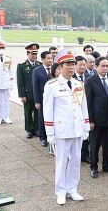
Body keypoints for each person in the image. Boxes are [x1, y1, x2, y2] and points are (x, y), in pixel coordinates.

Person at [43, 48, 90, 205]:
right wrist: (50, 133)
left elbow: (83, 107)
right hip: (61, 131)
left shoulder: (79, 84)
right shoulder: (52, 85)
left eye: (73, 64)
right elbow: (48, 111)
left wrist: (85, 128)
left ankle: (72, 189)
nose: (71, 67)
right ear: (60, 66)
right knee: (61, 162)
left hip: (77, 129)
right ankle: (61, 191)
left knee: (76, 161)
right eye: (68, 65)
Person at [85, 56, 108, 178]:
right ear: (96, 67)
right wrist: (90, 120)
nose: (105, 68)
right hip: (97, 119)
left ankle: (107, 165)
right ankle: (94, 166)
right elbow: (88, 102)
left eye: (107, 65)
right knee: (94, 144)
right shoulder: (90, 80)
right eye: (103, 66)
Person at [17, 43, 42, 138]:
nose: (34, 56)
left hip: (37, 94)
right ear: (27, 54)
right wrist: (22, 95)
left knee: (37, 112)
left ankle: (36, 129)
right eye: (32, 54)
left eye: (36, 54)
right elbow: (20, 82)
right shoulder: (22, 66)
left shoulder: (40, 65)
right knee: (28, 112)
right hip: (28, 94)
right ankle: (29, 129)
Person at [32, 51, 53, 147]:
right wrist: (37, 101)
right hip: (42, 99)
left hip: (53, 98)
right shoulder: (37, 71)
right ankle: (43, 137)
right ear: (42, 59)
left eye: (51, 58)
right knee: (42, 118)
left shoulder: (55, 69)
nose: (50, 60)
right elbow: (35, 87)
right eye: (48, 58)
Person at [73, 56, 90, 163]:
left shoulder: (89, 76)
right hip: (75, 110)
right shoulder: (71, 78)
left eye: (84, 64)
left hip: (86, 109)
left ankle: (85, 154)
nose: (83, 67)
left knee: (85, 134)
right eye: (80, 65)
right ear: (75, 66)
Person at [0, 40, 13, 125]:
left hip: (6, 82)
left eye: (2, 48)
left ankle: (6, 116)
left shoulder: (8, 58)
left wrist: (11, 83)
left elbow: (10, 71)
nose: (1, 49)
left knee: (6, 100)